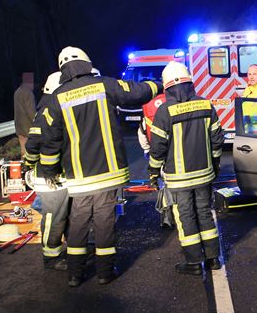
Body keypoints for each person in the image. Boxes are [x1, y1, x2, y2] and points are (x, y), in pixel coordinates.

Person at [36, 46, 161, 287]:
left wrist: (50, 171)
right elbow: (137, 92)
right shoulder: (104, 85)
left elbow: (50, 140)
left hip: (78, 177)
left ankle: (75, 275)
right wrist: (160, 85)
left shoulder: (57, 98)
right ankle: (105, 272)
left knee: (78, 222)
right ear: (86, 63)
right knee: (104, 222)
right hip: (108, 172)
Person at [147, 61, 225, 275]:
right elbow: (217, 140)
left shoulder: (164, 111)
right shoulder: (206, 105)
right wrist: (215, 164)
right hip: (204, 174)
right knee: (205, 213)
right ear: (190, 83)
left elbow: (158, 148)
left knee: (185, 217)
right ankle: (213, 259)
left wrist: (153, 172)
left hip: (178, 179)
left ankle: (193, 263)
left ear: (167, 87)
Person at [24, 71, 70, 270]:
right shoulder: (47, 110)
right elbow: (33, 143)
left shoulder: (53, 106)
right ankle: (51, 256)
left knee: (64, 215)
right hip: (49, 177)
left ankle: (68, 250)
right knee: (54, 216)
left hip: (59, 174)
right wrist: (31, 165)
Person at [138, 91, 173, 229]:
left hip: (158, 154)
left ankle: (167, 218)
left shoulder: (149, 110)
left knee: (164, 186)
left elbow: (142, 133)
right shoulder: (175, 103)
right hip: (178, 153)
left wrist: (147, 150)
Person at [13, 72, 36, 157]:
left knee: (23, 149)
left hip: (19, 125)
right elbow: (30, 111)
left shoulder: (17, 91)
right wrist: (36, 122)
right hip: (28, 127)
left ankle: (24, 162)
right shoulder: (28, 93)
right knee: (31, 150)